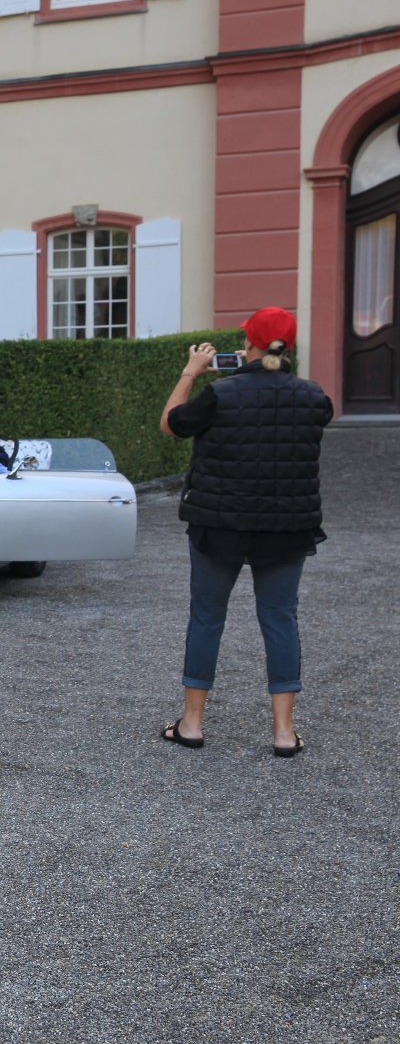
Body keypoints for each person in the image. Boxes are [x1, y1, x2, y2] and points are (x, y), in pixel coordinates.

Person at [158, 306, 333, 757]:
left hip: (221, 526)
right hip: (286, 528)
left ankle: (192, 724)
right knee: (280, 618)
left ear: (248, 342)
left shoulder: (221, 393)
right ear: (289, 345)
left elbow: (171, 424)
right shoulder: (315, 397)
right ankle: (284, 733)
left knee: (207, 616)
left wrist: (191, 371)